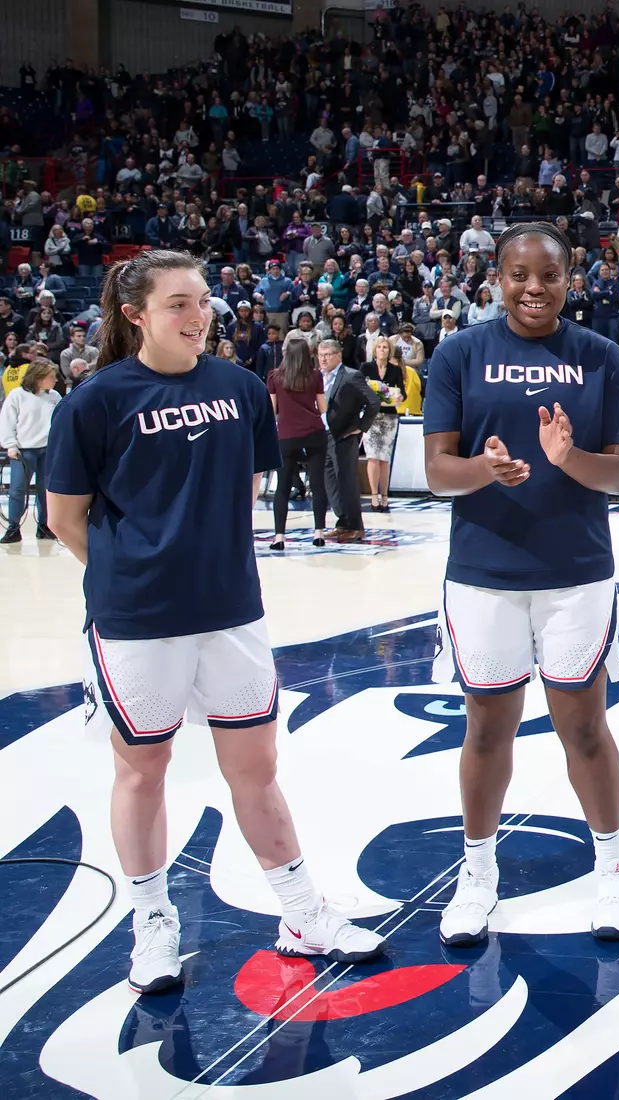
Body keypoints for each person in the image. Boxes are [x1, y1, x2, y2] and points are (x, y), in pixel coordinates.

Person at [42, 251, 385, 995]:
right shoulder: (94, 401)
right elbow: (64, 518)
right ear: (135, 314)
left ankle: (300, 914)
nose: (198, 316)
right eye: (177, 305)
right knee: (143, 771)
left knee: (256, 772)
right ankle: (151, 924)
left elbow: (241, 488)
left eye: (202, 301)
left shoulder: (236, 388)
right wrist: (130, 572)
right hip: (136, 620)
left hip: (231, 612)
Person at [422, 223, 619, 946]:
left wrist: (567, 456)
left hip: (575, 573)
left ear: (568, 277)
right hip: (484, 574)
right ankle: (477, 871)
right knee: (487, 726)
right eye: (519, 274)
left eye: (548, 276)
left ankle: (612, 868)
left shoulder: (599, 356)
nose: (533, 289)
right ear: (497, 275)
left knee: (583, 725)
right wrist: (488, 469)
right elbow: (435, 472)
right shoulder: (460, 353)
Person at [266, 340, 329, 550]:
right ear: (306, 353)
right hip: (314, 432)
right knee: (318, 484)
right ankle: (319, 533)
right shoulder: (315, 376)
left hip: (286, 435)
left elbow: (272, 409)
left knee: (282, 487)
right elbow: (322, 408)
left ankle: (279, 537)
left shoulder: (275, 376)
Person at [317, 339, 375, 543]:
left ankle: (356, 527)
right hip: (322, 434)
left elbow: (373, 402)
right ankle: (343, 522)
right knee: (330, 481)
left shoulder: (351, 376)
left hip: (344, 435)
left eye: (327, 355)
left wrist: (360, 427)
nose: (323, 358)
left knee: (346, 481)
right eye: (320, 354)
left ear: (338, 356)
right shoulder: (318, 377)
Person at [1, 358, 60, 543]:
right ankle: (13, 527)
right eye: (51, 376)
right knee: (17, 490)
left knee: (45, 491)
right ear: (39, 377)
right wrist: (10, 445)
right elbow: (7, 421)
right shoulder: (17, 395)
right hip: (23, 451)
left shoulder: (54, 396)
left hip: (47, 450)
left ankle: (43, 526)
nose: (56, 379)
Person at [360, 340, 405, 512]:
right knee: (372, 455)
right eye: (379, 347)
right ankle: (373, 496)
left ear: (390, 350)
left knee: (384, 457)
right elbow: (359, 389)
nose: (382, 350)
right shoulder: (366, 368)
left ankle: (384, 495)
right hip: (371, 416)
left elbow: (402, 392)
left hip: (389, 416)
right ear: (374, 350)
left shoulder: (395, 370)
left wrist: (398, 397)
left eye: (385, 347)